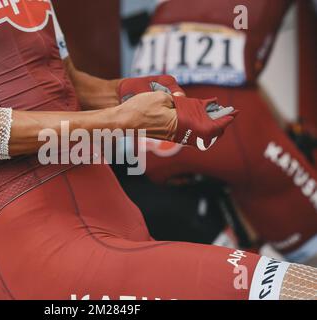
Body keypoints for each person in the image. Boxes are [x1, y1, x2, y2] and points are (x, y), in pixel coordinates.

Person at [0, 0, 315, 300]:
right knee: (296, 289)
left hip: (114, 215)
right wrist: (124, 120)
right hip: (48, 249)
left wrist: (128, 93)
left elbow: (67, 87)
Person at [125, 0, 317, 265]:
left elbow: (228, 80)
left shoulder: (166, 9)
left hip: (152, 145)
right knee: (310, 255)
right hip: (233, 133)